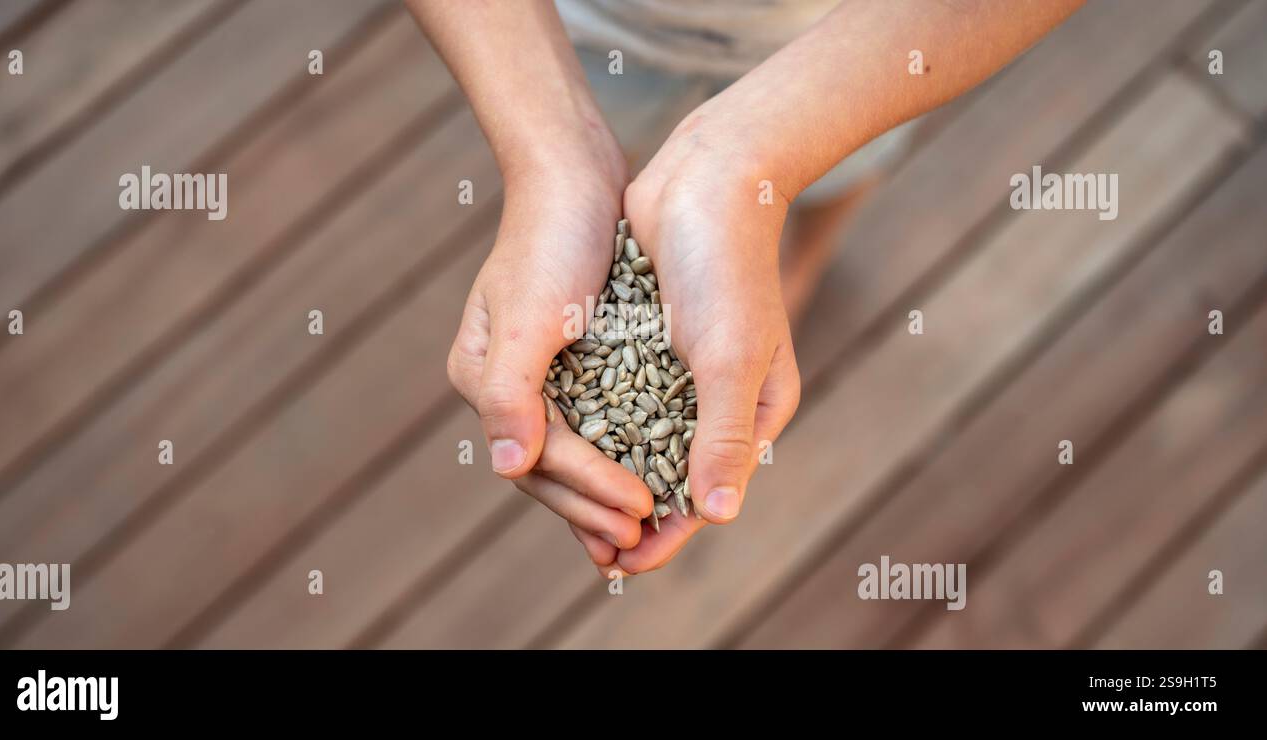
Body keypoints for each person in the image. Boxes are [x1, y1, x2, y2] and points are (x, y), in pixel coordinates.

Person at [410, 0, 1085, 576]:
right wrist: (552, 151)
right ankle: (741, 237)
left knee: (829, 177)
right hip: (560, 33)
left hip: (870, 49)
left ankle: (800, 256)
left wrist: (744, 162)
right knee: (652, 173)